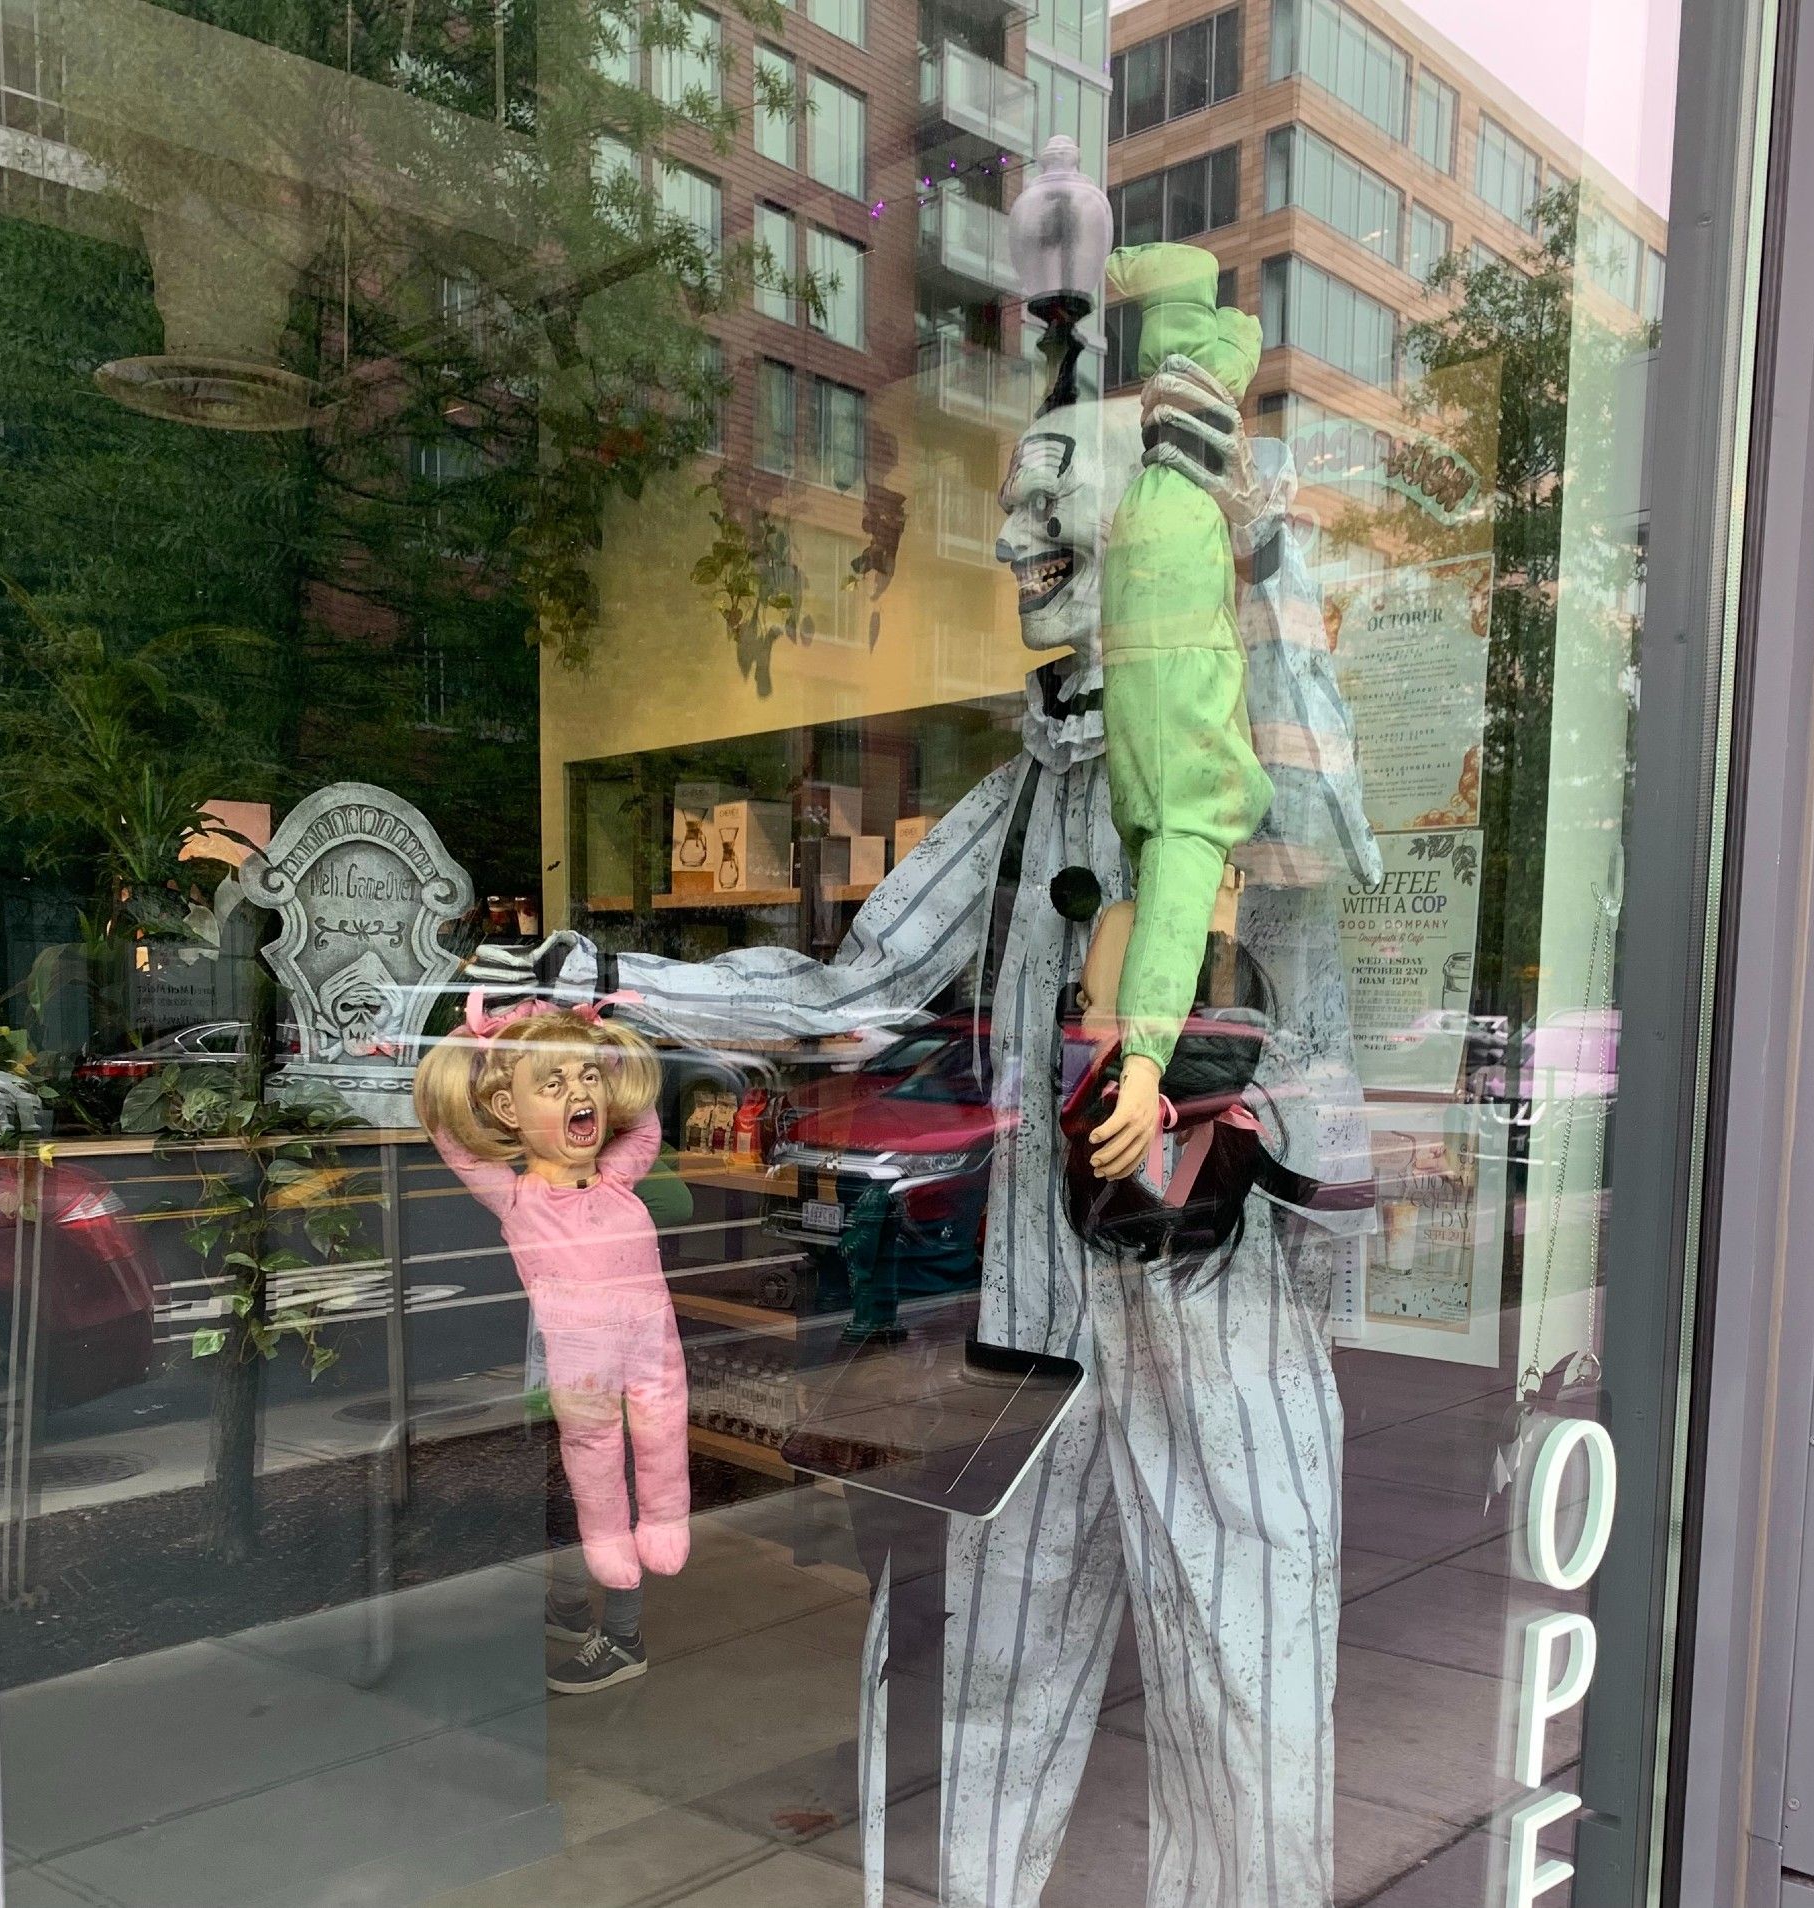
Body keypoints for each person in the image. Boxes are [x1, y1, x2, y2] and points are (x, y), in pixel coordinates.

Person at [469, 368, 1377, 1901]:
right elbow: (846, 985)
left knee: (1254, 1711)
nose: (1011, 533)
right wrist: (607, 975)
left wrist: (1261, 569)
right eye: (1010, 503)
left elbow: (1322, 844)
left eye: (1048, 499)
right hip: (1034, 1333)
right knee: (993, 1713)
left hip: (1219, 1331)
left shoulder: (1236, 718)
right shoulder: (1016, 794)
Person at [412, 993, 690, 1694]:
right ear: (510, 1112)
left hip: (647, 1349)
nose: (579, 1092)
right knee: (584, 1475)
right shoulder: (520, 1199)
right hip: (572, 1366)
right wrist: (465, 1048)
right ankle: (577, 1598)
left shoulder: (623, 1178)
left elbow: (646, 1122)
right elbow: (450, 1136)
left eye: (589, 1076)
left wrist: (610, 1048)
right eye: (555, 1082)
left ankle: (623, 1622)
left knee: (651, 1449)